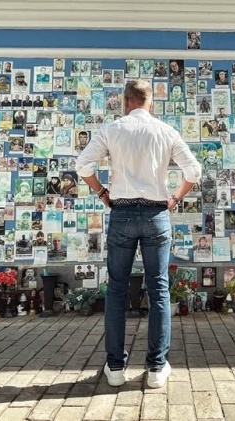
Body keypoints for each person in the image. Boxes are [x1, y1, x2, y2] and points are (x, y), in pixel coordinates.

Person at [75, 79, 201, 389]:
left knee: (117, 289)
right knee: (158, 290)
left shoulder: (112, 129)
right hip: (157, 214)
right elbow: (194, 172)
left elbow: (83, 165)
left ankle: (115, 368)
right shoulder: (166, 131)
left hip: (122, 213)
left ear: (125, 101)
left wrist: (102, 192)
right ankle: (157, 368)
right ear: (150, 103)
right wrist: (175, 198)